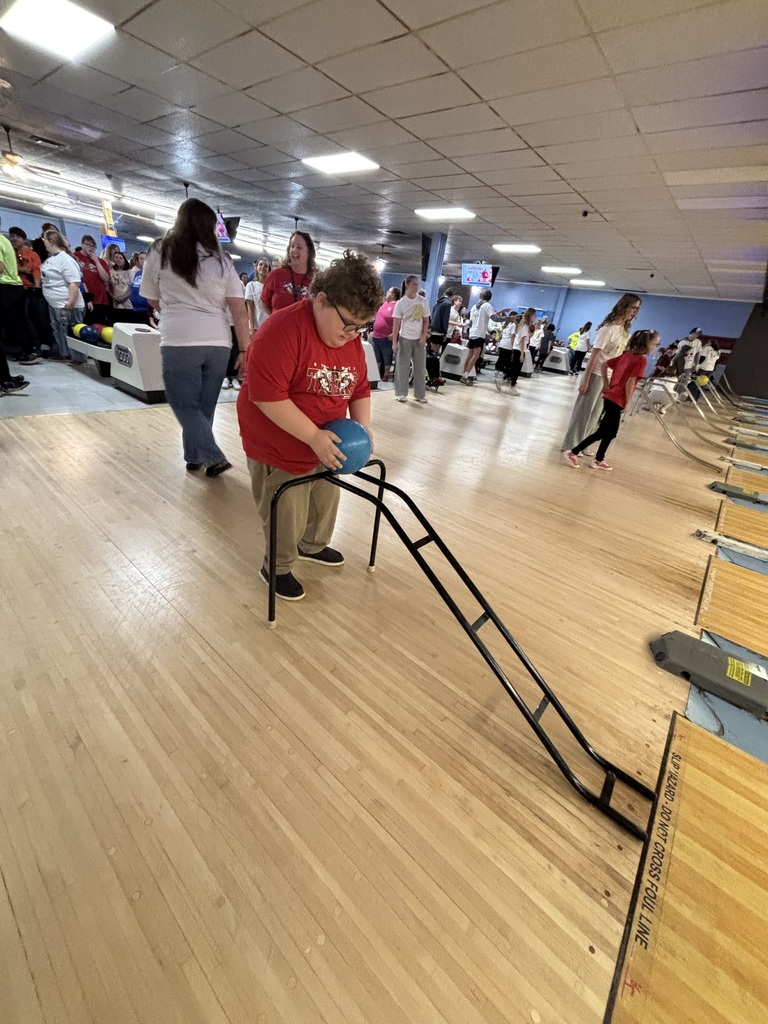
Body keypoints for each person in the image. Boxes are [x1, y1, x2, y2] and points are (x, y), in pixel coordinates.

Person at [237, 250, 382, 602]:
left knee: (325, 494)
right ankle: (277, 566)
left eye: (361, 327)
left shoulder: (350, 341)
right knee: (286, 505)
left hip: (324, 438)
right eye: (348, 324)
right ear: (321, 301)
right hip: (277, 440)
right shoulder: (282, 330)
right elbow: (267, 397)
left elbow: (359, 387)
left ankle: (312, 545)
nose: (353, 335)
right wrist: (313, 436)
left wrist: (362, 430)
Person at [140, 198, 250, 477]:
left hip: (179, 340)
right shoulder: (222, 260)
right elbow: (239, 310)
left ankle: (212, 456)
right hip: (218, 343)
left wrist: (173, 309)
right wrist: (244, 350)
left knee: (185, 403)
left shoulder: (159, 251)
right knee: (204, 405)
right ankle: (193, 455)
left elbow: (151, 298)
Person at [564, 330, 659, 471]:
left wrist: (607, 384)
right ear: (646, 344)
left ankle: (598, 459)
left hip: (611, 397)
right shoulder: (640, 360)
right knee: (603, 431)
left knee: (610, 432)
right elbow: (630, 382)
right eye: (655, 344)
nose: (656, 347)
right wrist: (627, 401)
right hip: (617, 399)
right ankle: (574, 452)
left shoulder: (626, 355)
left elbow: (604, 365)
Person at [560, 294, 641, 453]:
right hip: (596, 374)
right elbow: (594, 357)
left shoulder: (624, 331)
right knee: (584, 411)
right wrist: (586, 380)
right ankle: (571, 445)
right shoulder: (608, 329)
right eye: (633, 307)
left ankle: (583, 445)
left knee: (596, 413)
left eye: (637, 309)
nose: (635, 312)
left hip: (610, 378)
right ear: (624, 307)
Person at [40, 228, 86, 363]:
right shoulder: (52, 259)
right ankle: (65, 353)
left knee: (72, 331)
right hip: (54, 303)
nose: (43, 242)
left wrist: (70, 305)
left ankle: (78, 357)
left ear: (51, 241)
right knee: (58, 330)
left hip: (66, 304)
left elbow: (74, 283)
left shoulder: (65, 259)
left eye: (45, 239)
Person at [9, 226, 51, 363]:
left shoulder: (32, 254)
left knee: (32, 318)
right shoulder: (10, 253)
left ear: (24, 239)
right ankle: (25, 347)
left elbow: (35, 271)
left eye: (18, 237)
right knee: (19, 319)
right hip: (15, 289)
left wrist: (37, 290)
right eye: (12, 236)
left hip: (30, 290)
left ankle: (37, 346)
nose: (14, 239)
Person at [392, 275, 430, 403]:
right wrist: (395, 342)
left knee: (420, 367)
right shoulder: (401, 303)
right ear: (407, 285)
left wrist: (423, 336)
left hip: (418, 338)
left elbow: (426, 320)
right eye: (413, 284)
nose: (416, 286)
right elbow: (396, 323)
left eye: (417, 284)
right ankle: (402, 392)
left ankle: (420, 394)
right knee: (403, 366)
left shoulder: (423, 301)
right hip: (405, 337)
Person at [261, 231, 316, 314]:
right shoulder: (275, 275)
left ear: (308, 252)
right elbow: (265, 302)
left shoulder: (315, 280)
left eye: (299, 247)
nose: (294, 250)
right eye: (292, 246)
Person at [74, 235, 112, 326]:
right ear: (82, 244)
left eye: (93, 246)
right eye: (88, 245)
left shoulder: (101, 261)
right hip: (82, 298)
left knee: (99, 327)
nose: (91, 248)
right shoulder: (75, 257)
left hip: (99, 299)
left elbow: (106, 278)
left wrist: (96, 261)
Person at [461, 289, 493, 385]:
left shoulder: (474, 306)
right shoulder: (487, 306)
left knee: (470, 355)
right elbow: (494, 318)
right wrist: (508, 318)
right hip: (479, 333)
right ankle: (465, 376)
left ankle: (464, 374)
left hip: (472, 332)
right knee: (475, 355)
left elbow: (470, 323)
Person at [370, 286, 400, 380]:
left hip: (386, 337)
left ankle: (386, 374)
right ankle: (377, 374)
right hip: (376, 335)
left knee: (387, 356)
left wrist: (394, 334)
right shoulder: (384, 304)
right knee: (377, 356)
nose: (386, 293)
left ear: (393, 295)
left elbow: (399, 321)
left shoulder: (396, 306)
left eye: (388, 292)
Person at [506, 306, 536, 395]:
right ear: (531, 315)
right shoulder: (525, 326)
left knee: (513, 368)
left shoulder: (522, 325)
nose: (534, 317)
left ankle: (507, 381)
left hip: (517, 348)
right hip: (519, 349)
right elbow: (522, 341)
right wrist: (522, 354)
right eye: (534, 315)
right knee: (517, 369)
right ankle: (511, 387)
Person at [245, 257, 270, 332]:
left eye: (266, 266)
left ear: (269, 270)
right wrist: (251, 326)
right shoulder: (251, 285)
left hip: (271, 323)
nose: (263, 267)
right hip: (258, 326)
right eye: (260, 265)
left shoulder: (272, 285)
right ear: (256, 267)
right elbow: (250, 307)